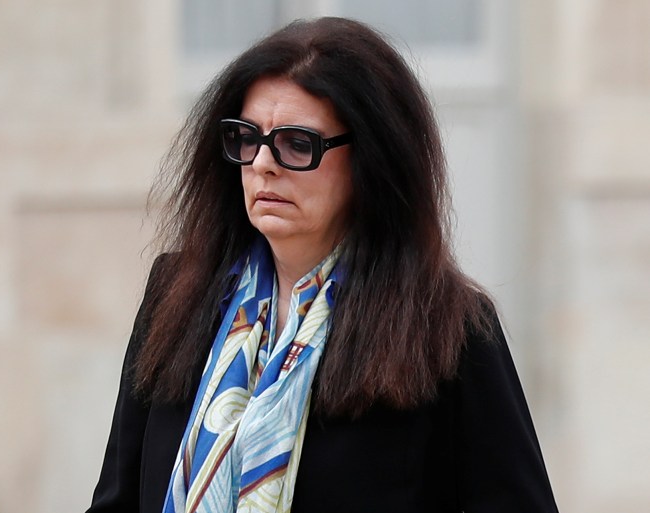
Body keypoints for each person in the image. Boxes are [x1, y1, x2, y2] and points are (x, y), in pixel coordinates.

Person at [86, 16, 559, 513]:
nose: (263, 164)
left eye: (297, 144)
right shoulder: (177, 294)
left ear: (369, 160)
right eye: (247, 138)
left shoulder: (447, 324)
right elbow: (117, 498)